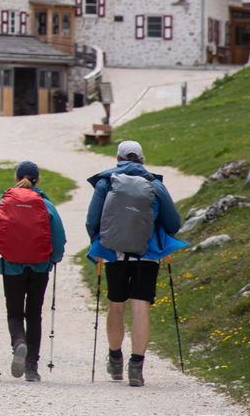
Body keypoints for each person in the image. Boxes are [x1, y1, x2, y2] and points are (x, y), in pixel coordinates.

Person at [85, 140, 187, 387]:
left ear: (117, 159)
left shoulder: (105, 182)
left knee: (116, 305)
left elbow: (92, 220)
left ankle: (115, 360)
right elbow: (173, 223)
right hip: (148, 255)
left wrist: (99, 242)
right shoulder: (155, 184)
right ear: (142, 159)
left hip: (115, 253)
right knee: (141, 307)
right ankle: (136, 367)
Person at [0, 161, 66, 382]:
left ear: (16, 178)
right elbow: (59, 239)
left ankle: (18, 343)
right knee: (34, 314)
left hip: (11, 266)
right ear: (38, 180)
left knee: (14, 313)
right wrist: (54, 258)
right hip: (40, 266)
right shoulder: (46, 205)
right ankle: (31, 366)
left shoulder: (5, 202)